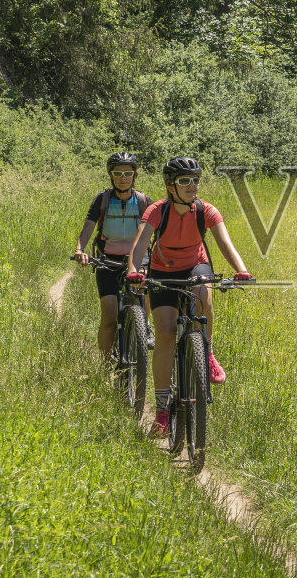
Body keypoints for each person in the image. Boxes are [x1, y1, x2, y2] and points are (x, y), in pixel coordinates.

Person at [126, 156, 252, 435]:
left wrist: (241, 270)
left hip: (196, 264)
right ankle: (161, 410)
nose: (193, 185)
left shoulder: (206, 210)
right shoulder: (158, 211)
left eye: (196, 180)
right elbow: (140, 245)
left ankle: (205, 351)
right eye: (185, 181)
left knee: (204, 297)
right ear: (170, 186)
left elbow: (224, 243)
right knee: (166, 335)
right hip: (163, 271)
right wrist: (134, 270)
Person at [73, 152, 153, 360]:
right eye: (118, 173)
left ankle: (145, 325)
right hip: (107, 259)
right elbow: (89, 227)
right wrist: (79, 250)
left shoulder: (144, 202)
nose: (123, 177)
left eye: (128, 173)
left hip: (138, 259)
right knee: (109, 317)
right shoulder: (103, 200)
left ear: (135, 176)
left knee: (144, 288)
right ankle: (105, 366)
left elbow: (157, 234)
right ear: (111, 175)